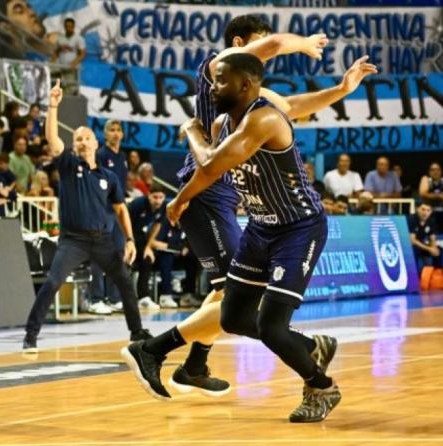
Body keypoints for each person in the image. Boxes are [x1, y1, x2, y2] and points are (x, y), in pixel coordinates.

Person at [121, 16, 373, 418]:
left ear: (245, 83)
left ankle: (320, 386)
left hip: (297, 227)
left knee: (269, 325)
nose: (211, 87)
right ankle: (212, 359)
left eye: (220, 82)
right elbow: (207, 169)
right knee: (234, 315)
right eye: (214, 80)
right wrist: (180, 198)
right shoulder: (224, 111)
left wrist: (191, 131)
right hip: (258, 225)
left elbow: (213, 161)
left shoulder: (263, 116)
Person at [22, 80, 149, 354]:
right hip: (73, 241)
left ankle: (137, 332)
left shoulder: (108, 177)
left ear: (95, 143)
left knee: (125, 282)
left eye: (86, 138)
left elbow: (121, 209)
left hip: (102, 240)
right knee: (52, 282)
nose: (81, 142)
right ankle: (31, 335)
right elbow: (52, 140)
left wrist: (129, 240)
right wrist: (52, 107)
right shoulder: (68, 165)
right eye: (77, 139)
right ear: (74, 145)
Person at [89, 119, 129, 314]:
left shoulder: (122, 156)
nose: (115, 133)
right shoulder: (101, 155)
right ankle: (96, 299)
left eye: (118, 130)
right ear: (105, 134)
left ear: (122, 134)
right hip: (102, 210)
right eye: (111, 130)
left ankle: (114, 297)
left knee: (118, 254)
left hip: (117, 211)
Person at [409, 203, 440, 272]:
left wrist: (434, 248)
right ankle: (414, 274)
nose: (425, 213)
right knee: (414, 250)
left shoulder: (431, 221)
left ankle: (436, 275)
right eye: (423, 209)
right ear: (417, 209)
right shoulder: (412, 219)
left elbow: (432, 238)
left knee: (439, 251)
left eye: (428, 210)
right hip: (408, 245)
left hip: (421, 245)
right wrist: (429, 249)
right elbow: (412, 240)